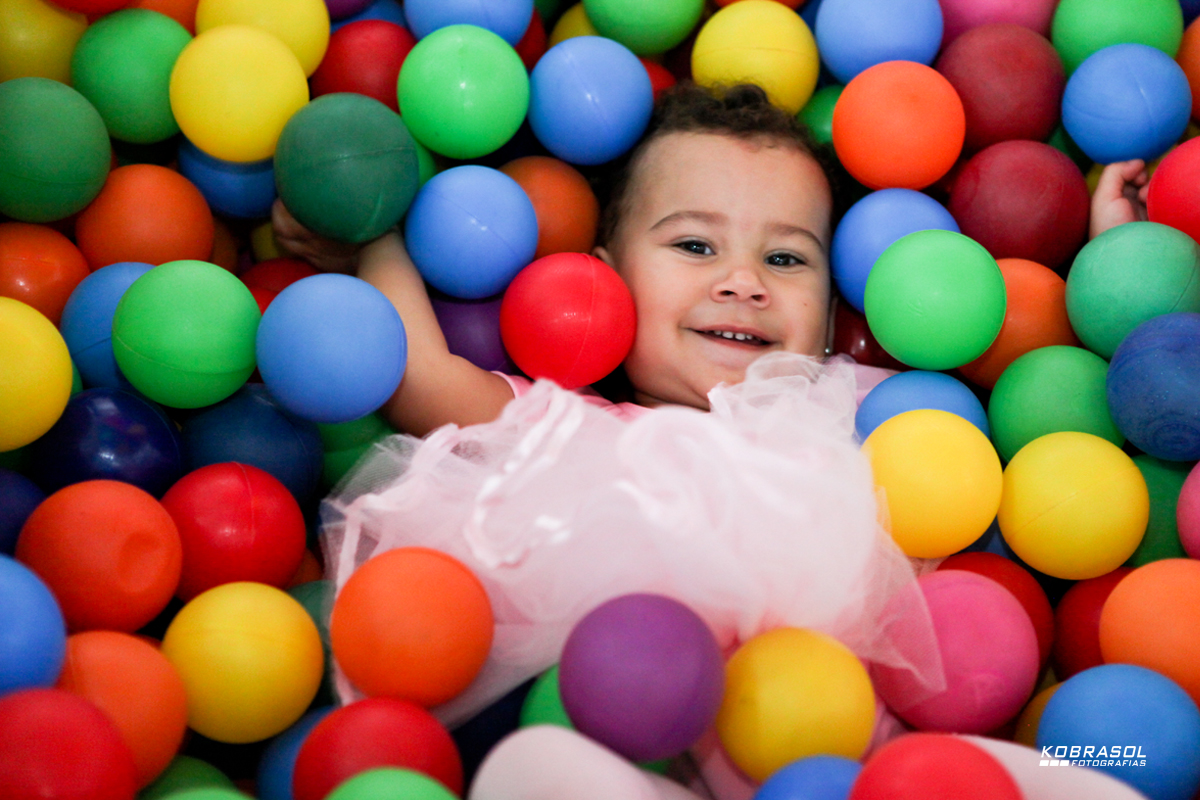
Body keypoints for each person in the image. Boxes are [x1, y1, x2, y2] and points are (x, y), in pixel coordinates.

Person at [277, 82, 1151, 798]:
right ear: (605, 279)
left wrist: (1120, 262)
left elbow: (1059, 412)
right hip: (626, 736)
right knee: (531, 772)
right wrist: (374, 232)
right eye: (695, 244)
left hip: (861, 760)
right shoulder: (568, 425)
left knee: (1111, 772)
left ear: (834, 313)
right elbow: (418, 377)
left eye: (786, 259)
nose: (741, 282)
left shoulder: (858, 410)